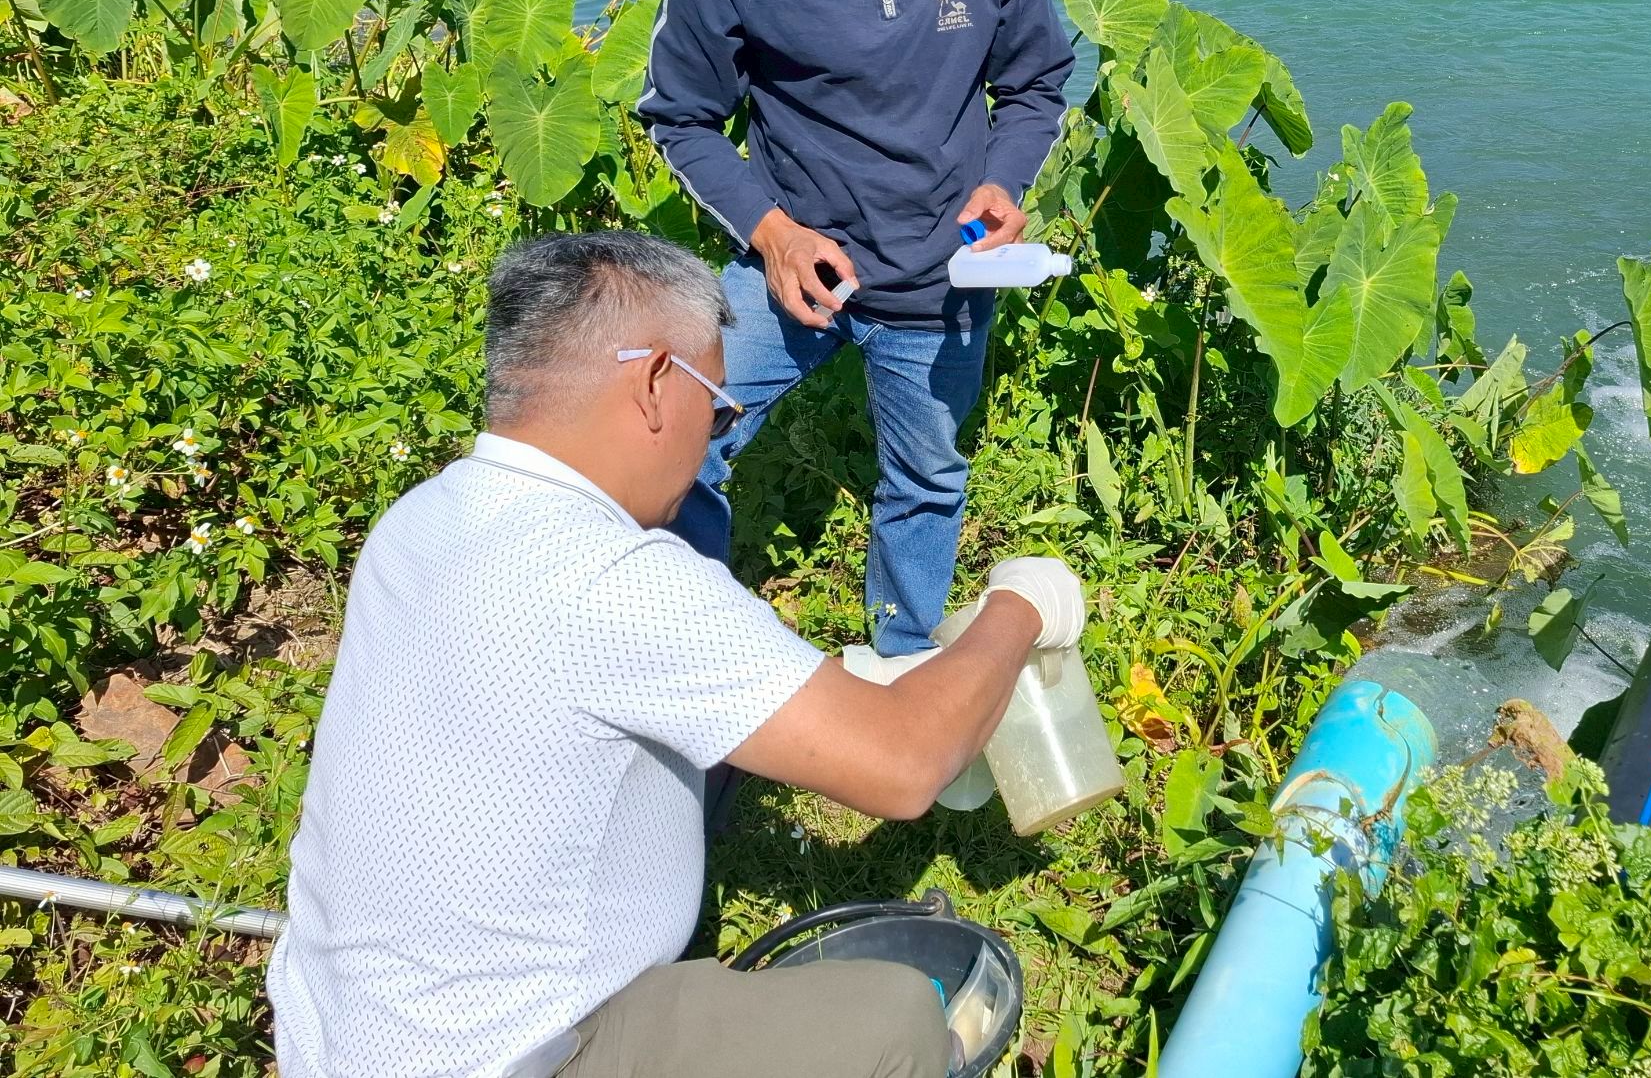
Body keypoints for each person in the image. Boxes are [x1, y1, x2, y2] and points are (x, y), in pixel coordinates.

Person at [267, 231, 1087, 1078]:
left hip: (345, 1034)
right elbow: (906, 763)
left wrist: (860, 685)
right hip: (507, 1057)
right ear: (657, 384)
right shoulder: (612, 576)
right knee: (896, 1015)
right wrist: (1021, 606)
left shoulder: (423, 519)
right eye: (720, 408)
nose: (715, 437)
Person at [639, 0, 1074, 656]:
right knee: (675, 437)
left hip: (941, 277)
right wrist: (774, 233)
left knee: (926, 480)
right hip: (795, 271)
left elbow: (1038, 80)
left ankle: (901, 662)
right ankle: (697, 639)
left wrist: (1004, 179)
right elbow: (680, 116)